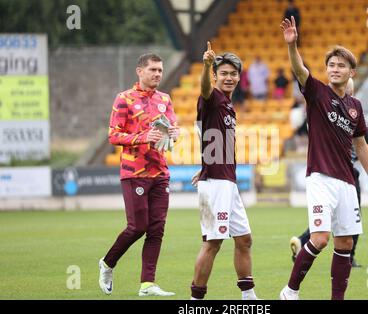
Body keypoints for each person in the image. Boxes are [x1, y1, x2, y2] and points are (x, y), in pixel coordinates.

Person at [279, 17, 368, 300]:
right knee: (320, 239)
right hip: (320, 179)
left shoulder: (355, 107)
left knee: (346, 243)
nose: (335, 69)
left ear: (352, 72)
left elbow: (360, 144)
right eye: (331, 65)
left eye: (341, 65)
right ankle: (290, 291)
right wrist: (292, 45)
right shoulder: (317, 92)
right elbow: (300, 70)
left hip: (347, 181)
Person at [98, 53, 180, 297]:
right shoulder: (124, 99)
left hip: (160, 172)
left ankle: (147, 284)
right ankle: (107, 263)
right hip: (134, 172)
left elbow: (171, 126)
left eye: (160, 70)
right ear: (139, 71)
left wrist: (174, 132)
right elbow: (113, 135)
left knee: (157, 228)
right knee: (137, 227)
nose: (157, 74)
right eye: (153, 69)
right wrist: (143, 137)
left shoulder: (165, 99)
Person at [190, 42, 259, 300]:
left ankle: (248, 296)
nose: (229, 78)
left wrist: (205, 164)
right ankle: (195, 300)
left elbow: (207, 137)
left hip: (227, 182)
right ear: (216, 76)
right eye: (224, 73)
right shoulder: (212, 98)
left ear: (239, 78)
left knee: (244, 239)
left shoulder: (228, 106)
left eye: (233, 74)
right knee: (213, 242)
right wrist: (206, 64)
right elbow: (204, 89)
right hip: (217, 185)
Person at [290, 79, 368, 269]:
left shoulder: (343, 110)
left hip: (332, 171)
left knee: (327, 219)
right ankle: (349, 257)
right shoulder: (338, 112)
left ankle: (303, 242)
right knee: (352, 218)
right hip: (344, 172)